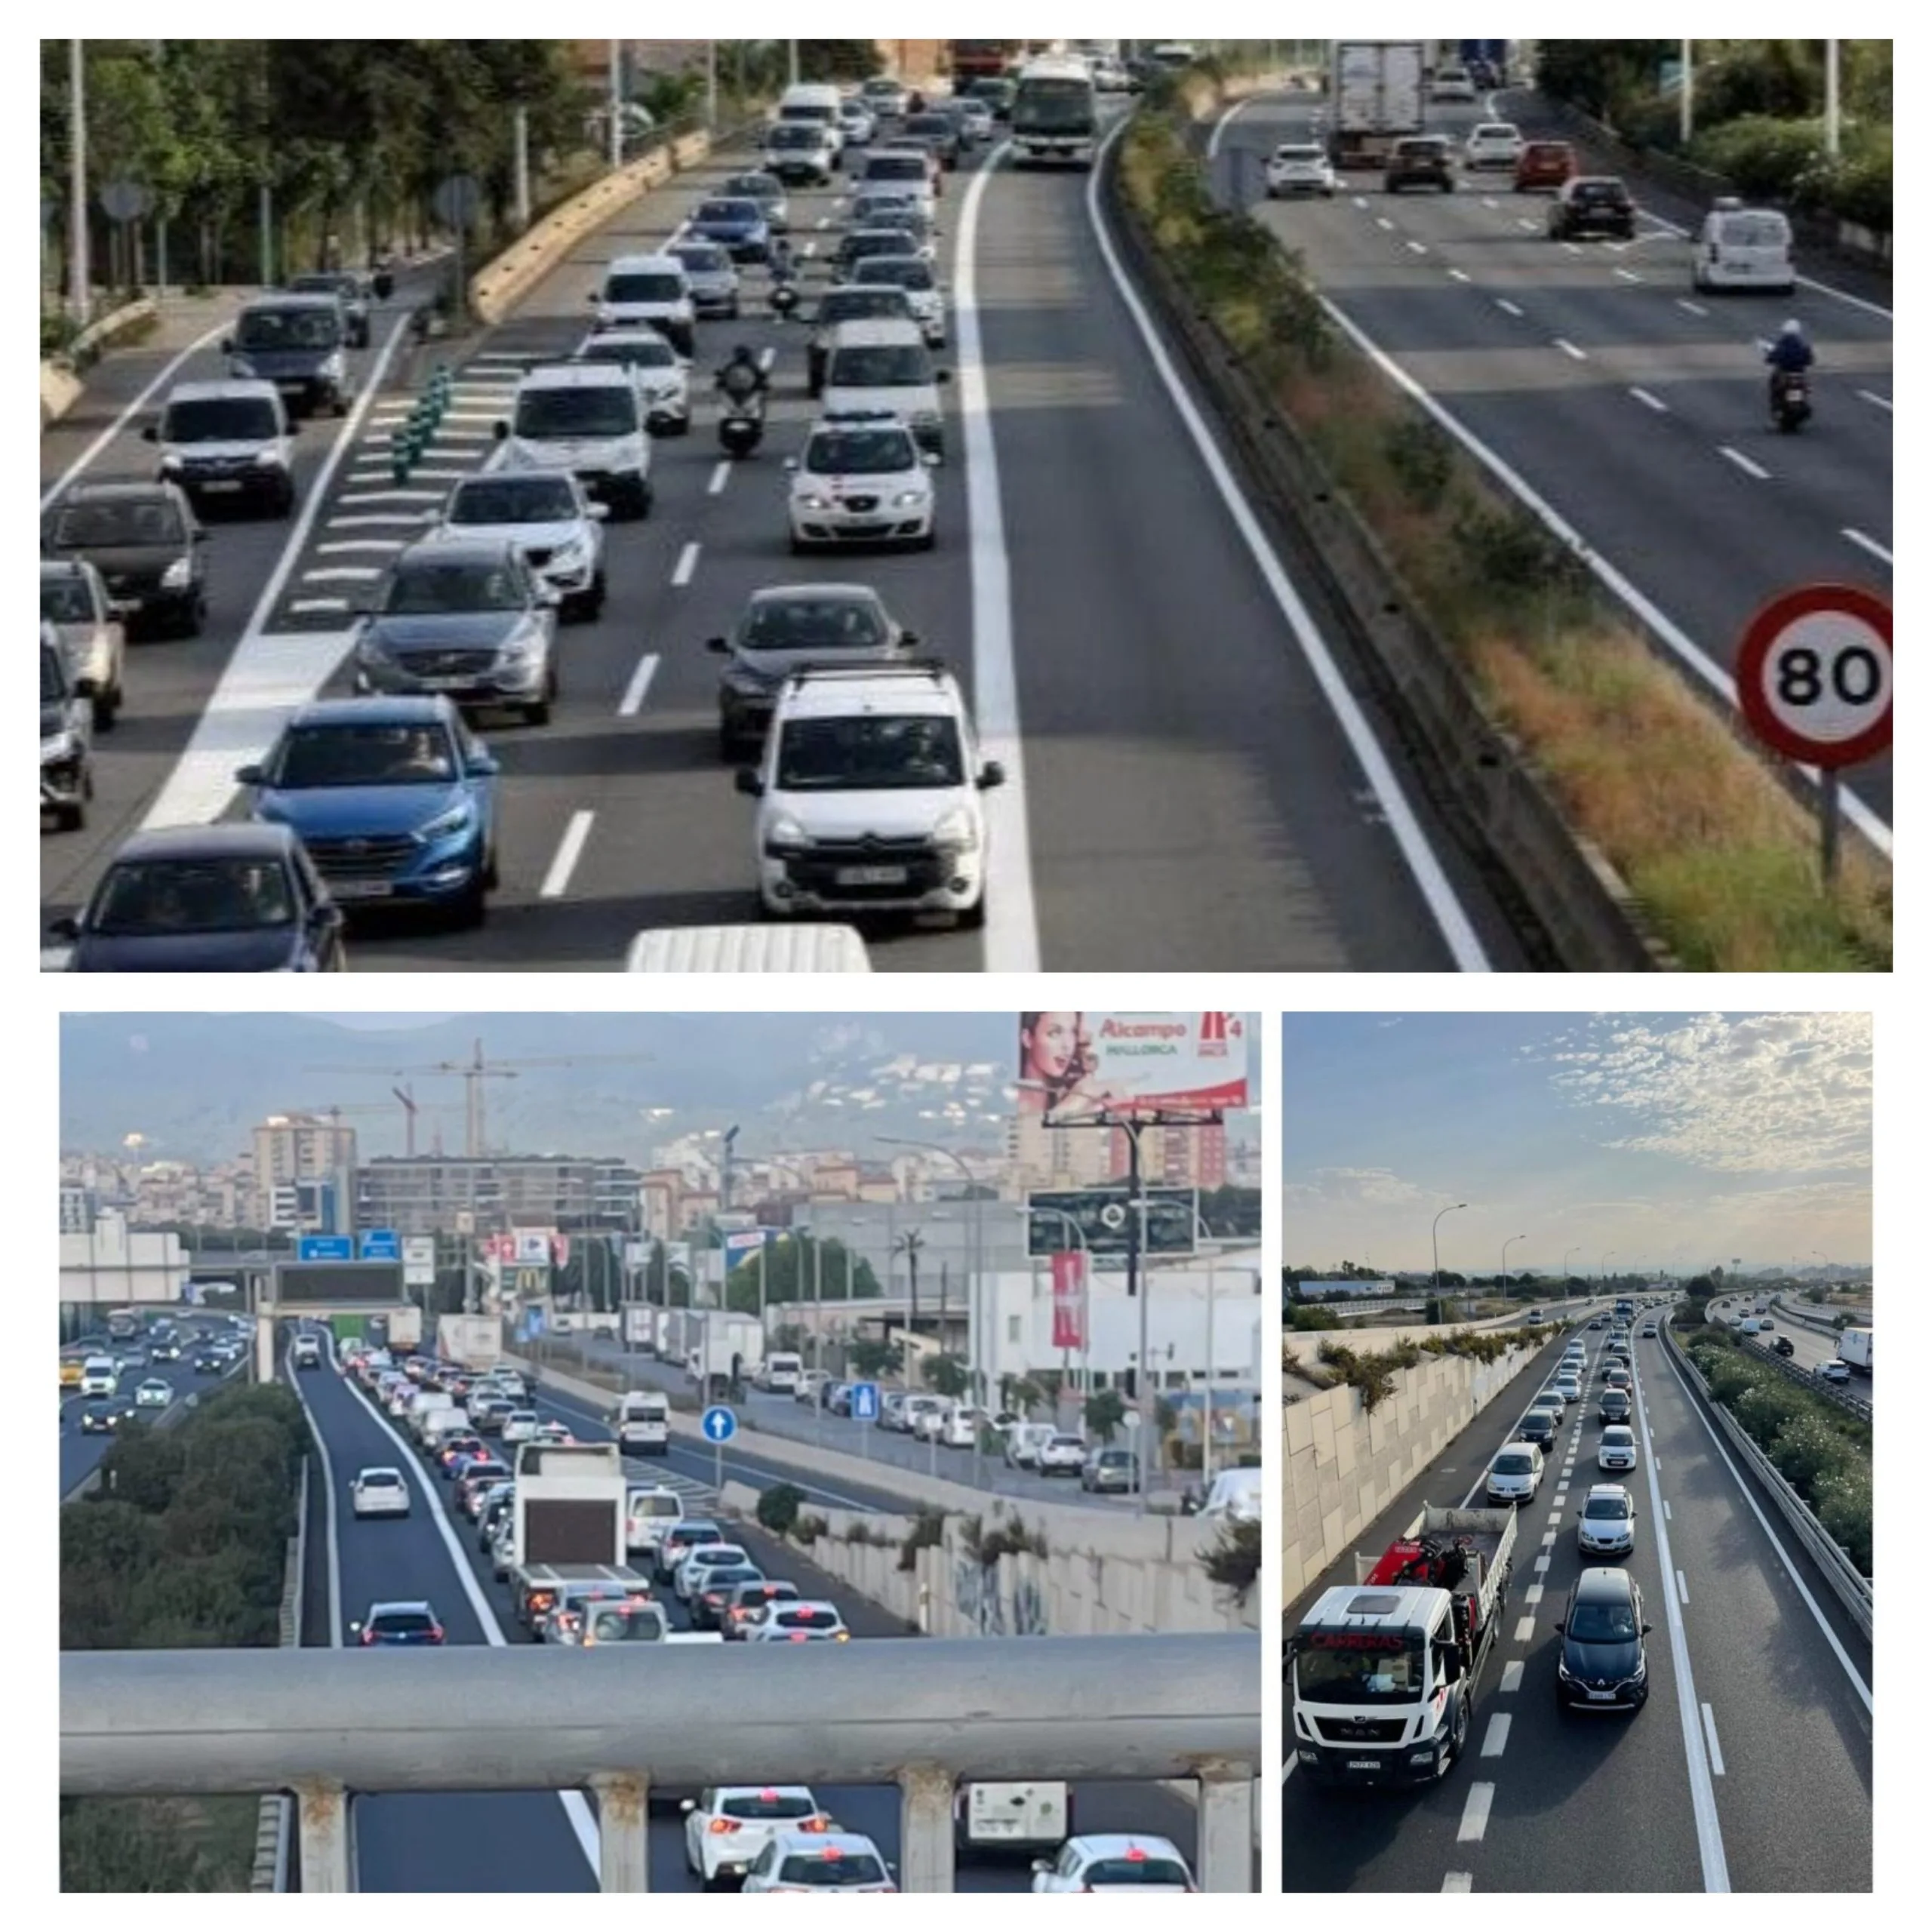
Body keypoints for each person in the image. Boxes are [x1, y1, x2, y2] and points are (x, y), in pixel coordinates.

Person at [1764, 317, 1814, 405]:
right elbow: (1810, 360)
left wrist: (1769, 359)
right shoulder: (1802, 344)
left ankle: (1775, 401)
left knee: (1774, 382)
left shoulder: (1782, 344)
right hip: (1799, 372)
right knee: (1805, 384)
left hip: (1785, 372)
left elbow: (1773, 356)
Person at [715, 344, 767, 414]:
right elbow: (724, 374)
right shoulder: (733, 366)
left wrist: (762, 379)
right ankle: (731, 409)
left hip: (749, 390)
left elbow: (760, 375)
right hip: (733, 389)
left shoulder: (751, 366)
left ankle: (753, 410)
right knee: (721, 389)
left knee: (760, 390)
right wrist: (721, 377)